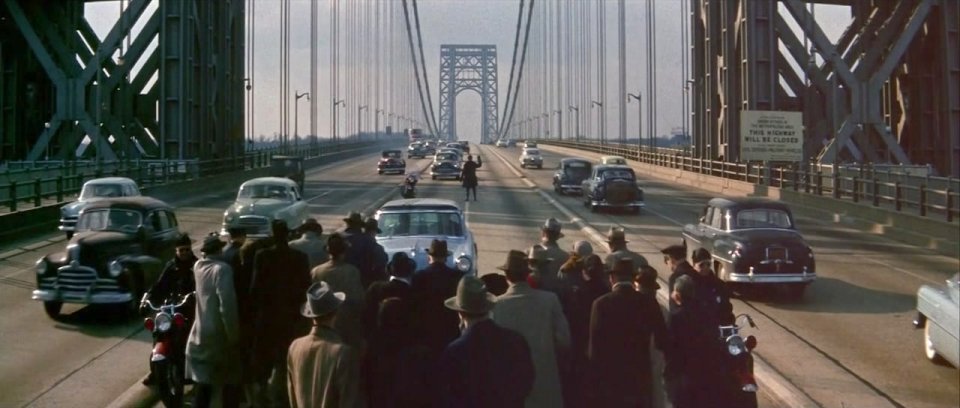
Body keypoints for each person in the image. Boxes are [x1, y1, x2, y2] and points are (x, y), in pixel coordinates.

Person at [436, 275, 535, 408]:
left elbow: (450, 395)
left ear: (460, 313)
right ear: (488, 308)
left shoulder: (455, 351)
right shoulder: (515, 340)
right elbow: (527, 382)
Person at [492, 250, 571, 408]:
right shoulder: (550, 300)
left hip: (510, 381)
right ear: (527, 274)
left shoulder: (496, 305)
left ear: (507, 276)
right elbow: (564, 341)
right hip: (544, 379)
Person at [587, 258, 667, 408]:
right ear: (632, 278)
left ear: (612, 278)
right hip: (640, 374)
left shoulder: (601, 304)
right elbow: (662, 340)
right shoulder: (648, 302)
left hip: (611, 376)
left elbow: (595, 348)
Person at [249, 220, 312, 408]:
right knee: (288, 362)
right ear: (288, 235)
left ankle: (263, 398)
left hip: (268, 317)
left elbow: (255, 289)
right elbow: (305, 288)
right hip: (292, 318)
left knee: (265, 363)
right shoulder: (300, 257)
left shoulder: (262, 256)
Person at [287, 281, 364, 408]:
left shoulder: (294, 347)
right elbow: (348, 401)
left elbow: (292, 397)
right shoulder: (342, 353)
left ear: (311, 314)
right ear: (336, 312)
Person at [185, 235, 241, 408]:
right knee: (230, 380)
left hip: (200, 331)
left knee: (204, 384)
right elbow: (227, 305)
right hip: (218, 334)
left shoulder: (198, 266)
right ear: (218, 250)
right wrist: (233, 335)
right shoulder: (222, 269)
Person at [142, 234, 197, 386]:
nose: (184, 253)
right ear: (176, 251)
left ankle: (194, 368)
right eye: (181, 250)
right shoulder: (171, 266)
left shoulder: (196, 265)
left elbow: (201, 287)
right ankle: (155, 371)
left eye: (187, 249)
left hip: (189, 308)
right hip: (171, 307)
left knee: (190, 334)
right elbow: (160, 285)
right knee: (159, 333)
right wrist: (147, 299)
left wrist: (194, 296)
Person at [664, 275, 726, 408]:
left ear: (678, 295)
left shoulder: (676, 317)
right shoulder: (707, 313)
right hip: (707, 373)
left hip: (684, 376)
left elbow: (669, 347)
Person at [311, 233, 366, 349]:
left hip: (323, 324)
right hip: (347, 324)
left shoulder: (316, 271)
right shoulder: (352, 271)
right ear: (344, 252)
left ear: (328, 251)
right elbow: (359, 299)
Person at [364, 252, 415, 337]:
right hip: (405, 342)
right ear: (410, 271)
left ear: (389, 270)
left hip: (378, 342)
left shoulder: (375, 288)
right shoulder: (414, 293)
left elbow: (366, 317)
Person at [690, 248, 735, 326]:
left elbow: (726, 306)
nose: (705, 267)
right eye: (701, 265)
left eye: (708, 264)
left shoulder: (718, 284)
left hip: (717, 326)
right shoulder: (688, 284)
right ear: (694, 265)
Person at [341, 211, 383, 289]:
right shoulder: (367, 240)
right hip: (363, 280)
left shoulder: (339, 238)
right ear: (360, 225)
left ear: (347, 224)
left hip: (342, 280)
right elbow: (379, 262)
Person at [530, 218, 569, 295]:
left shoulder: (531, 251)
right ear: (557, 236)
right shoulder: (565, 256)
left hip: (533, 295)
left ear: (543, 233)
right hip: (555, 295)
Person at [663, 244, 696, 312]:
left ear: (671, 259)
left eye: (666, 259)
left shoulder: (675, 277)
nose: (666, 263)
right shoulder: (695, 273)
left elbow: (674, 307)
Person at [364, 217, 389, 285]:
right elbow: (381, 268)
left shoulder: (357, 243)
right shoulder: (377, 248)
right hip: (372, 281)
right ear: (373, 232)